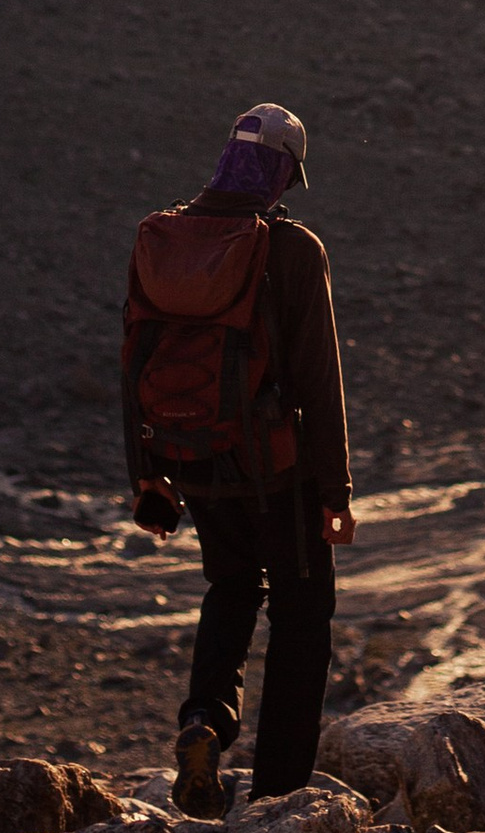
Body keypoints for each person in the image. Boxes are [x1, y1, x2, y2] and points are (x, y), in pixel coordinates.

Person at [124, 103, 354, 818]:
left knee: (230, 587)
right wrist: (336, 490)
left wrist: (146, 475)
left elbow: (133, 360)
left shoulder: (163, 237)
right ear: (282, 173)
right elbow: (318, 379)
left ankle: (204, 723)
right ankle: (279, 793)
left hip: (191, 459)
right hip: (277, 470)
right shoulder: (292, 249)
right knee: (302, 614)